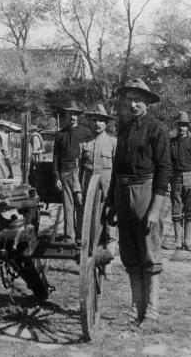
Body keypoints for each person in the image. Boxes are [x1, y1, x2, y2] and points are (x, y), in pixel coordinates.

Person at [107, 78, 172, 329]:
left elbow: (165, 170)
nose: (133, 104)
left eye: (138, 100)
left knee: (150, 252)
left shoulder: (157, 129)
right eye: (129, 100)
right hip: (123, 193)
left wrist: (155, 208)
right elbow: (115, 169)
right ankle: (136, 308)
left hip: (146, 192)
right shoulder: (123, 131)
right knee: (130, 254)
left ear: (147, 102)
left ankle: (152, 313)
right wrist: (112, 202)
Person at [79, 104, 117, 267]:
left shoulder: (113, 142)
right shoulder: (84, 144)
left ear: (106, 123)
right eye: (94, 120)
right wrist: (78, 190)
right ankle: (92, 260)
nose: (97, 124)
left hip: (108, 193)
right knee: (92, 227)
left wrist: (116, 194)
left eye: (101, 121)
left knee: (109, 227)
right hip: (89, 194)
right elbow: (78, 170)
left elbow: (117, 171)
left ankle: (107, 263)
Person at [53, 101, 92, 243]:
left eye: (75, 114)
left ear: (78, 117)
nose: (72, 117)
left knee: (80, 205)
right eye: (70, 114)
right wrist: (57, 178)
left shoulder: (86, 133)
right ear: (66, 115)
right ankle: (69, 238)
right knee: (68, 207)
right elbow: (55, 158)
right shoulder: (60, 135)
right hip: (65, 173)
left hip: (80, 173)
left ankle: (81, 237)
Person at [168, 111, 191, 251]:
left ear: (188, 127)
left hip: (190, 178)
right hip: (176, 179)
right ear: (176, 126)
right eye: (180, 125)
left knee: (190, 211)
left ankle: (187, 241)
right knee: (176, 211)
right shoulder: (171, 143)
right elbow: (168, 163)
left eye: (184, 125)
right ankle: (177, 241)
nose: (182, 128)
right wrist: (168, 181)